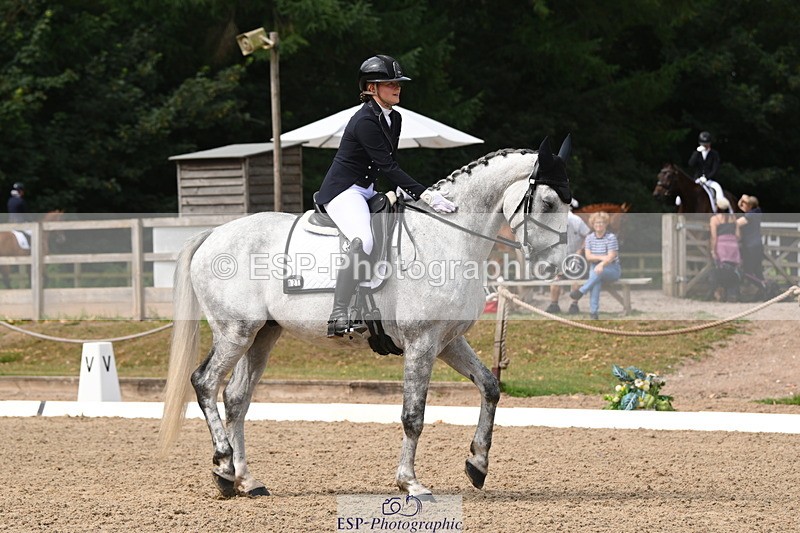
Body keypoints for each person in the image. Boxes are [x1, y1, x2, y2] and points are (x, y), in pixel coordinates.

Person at [316, 55, 457, 337]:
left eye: (398, 83)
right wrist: (425, 194)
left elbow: (389, 162)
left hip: (367, 190)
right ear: (371, 88)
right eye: (390, 83)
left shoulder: (395, 118)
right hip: (343, 191)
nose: (397, 87)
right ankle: (339, 313)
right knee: (364, 239)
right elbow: (387, 166)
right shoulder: (364, 121)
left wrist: (403, 188)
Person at [569, 211, 621, 320]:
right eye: (597, 223)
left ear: (606, 224)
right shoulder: (589, 238)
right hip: (595, 269)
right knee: (596, 281)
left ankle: (582, 291)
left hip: (612, 269)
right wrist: (603, 258)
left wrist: (601, 264)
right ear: (593, 224)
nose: (599, 225)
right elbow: (588, 257)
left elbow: (611, 257)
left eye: (601, 222)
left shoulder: (611, 237)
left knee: (597, 273)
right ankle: (594, 313)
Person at [545, 199, 590, 314]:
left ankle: (574, 305)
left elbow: (588, 236)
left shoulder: (576, 220)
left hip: (575, 256)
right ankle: (554, 304)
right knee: (555, 280)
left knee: (575, 280)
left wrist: (580, 250)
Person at [708, 197, 741, 301]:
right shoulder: (733, 218)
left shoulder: (715, 219)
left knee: (721, 270)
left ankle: (720, 294)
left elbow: (714, 237)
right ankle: (732, 293)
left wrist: (713, 250)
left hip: (721, 246)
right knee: (732, 270)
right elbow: (738, 235)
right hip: (733, 245)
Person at [686, 131, 723, 207]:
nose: (705, 146)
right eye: (703, 144)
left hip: (710, 180)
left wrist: (707, 177)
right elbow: (690, 164)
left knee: (718, 189)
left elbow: (715, 169)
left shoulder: (714, 154)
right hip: (697, 179)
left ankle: (720, 208)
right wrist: (696, 153)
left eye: (707, 144)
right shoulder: (697, 153)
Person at [737, 194, 765, 286]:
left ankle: (763, 286)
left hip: (750, 246)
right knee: (757, 271)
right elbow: (740, 206)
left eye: (745, 203)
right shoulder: (757, 211)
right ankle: (764, 288)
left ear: (749, 206)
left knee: (748, 271)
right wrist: (742, 198)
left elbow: (736, 223)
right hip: (757, 245)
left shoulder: (750, 215)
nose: (742, 205)